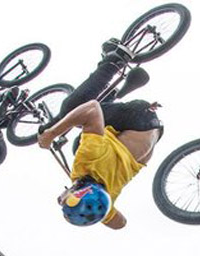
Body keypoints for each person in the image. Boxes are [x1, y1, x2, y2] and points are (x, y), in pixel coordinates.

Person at [37, 41, 164, 230]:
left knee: (79, 141)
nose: (60, 199)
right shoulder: (88, 161)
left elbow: (120, 224)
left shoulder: (107, 199)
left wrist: (103, 214)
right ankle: (114, 60)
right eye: (64, 201)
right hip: (138, 118)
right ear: (78, 191)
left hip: (151, 134)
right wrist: (52, 133)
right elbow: (91, 109)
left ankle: (116, 93)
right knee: (72, 108)